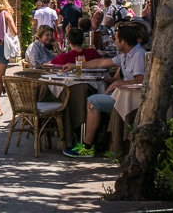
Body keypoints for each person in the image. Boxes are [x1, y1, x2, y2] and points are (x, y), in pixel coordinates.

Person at [62, 24, 145, 158]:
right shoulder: (125, 54)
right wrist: (77, 65)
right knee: (95, 98)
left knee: (92, 101)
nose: (114, 41)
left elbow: (140, 80)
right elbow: (101, 63)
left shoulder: (138, 55)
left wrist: (118, 82)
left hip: (131, 99)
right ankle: (99, 140)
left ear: (123, 42)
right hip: (122, 95)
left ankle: (87, 146)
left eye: (116, 39)